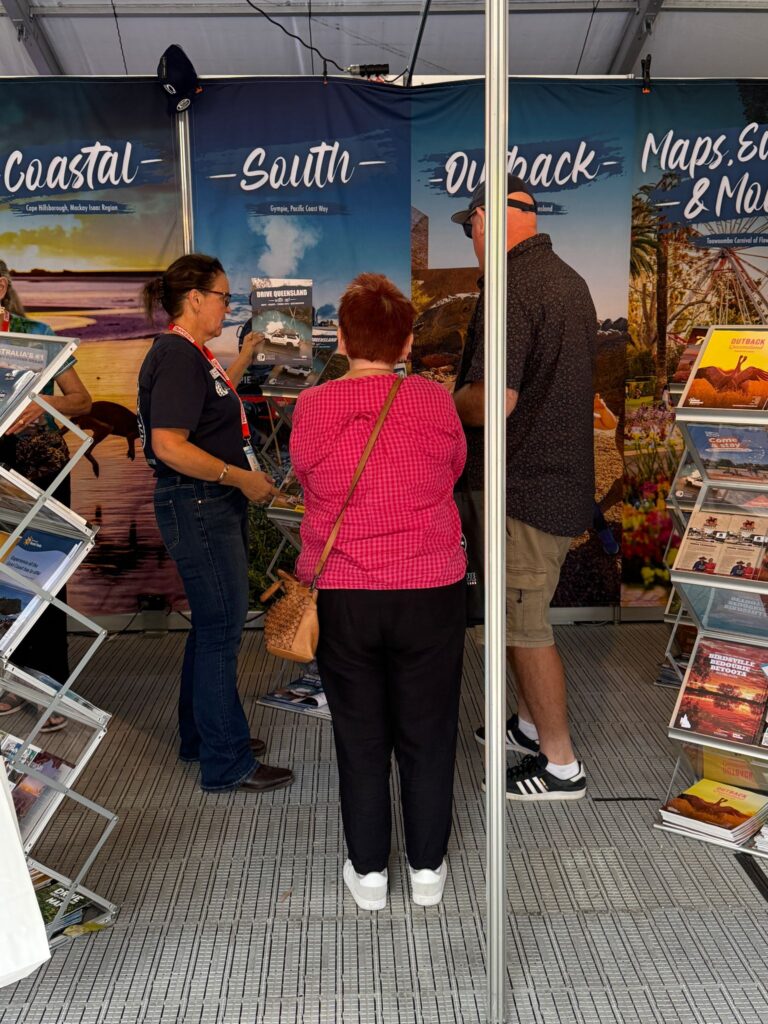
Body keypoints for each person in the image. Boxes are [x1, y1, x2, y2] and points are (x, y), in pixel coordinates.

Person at [290, 273, 467, 910]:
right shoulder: (433, 400)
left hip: (345, 590)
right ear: (408, 341)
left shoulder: (312, 405)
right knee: (429, 729)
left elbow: (308, 479)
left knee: (360, 733)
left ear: (340, 337)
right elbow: (452, 470)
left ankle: (368, 873)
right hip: (429, 585)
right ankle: (427, 870)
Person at [452, 174, 594, 802]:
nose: (471, 239)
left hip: (523, 491)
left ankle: (560, 765)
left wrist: (443, 400)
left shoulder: (510, 286)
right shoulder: (569, 281)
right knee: (515, 618)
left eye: (468, 227)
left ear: (485, 220)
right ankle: (531, 725)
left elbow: (494, 402)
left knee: (525, 621)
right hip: (556, 484)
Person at [137, 253, 292, 794]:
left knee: (210, 626)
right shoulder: (178, 357)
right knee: (222, 632)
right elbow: (169, 445)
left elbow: (209, 406)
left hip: (201, 504)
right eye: (225, 296)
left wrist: (245, 357)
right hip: (200, 504)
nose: (230, 305)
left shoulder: (191, 355)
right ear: (196, 298)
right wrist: (238, 478)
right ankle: (226, 762)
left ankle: (200, 738)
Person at [0, 259, 92, 732]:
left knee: (46, 569)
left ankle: (51, 684)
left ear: (3, 285)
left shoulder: (36, 333)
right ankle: (8, 683)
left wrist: (42, 403)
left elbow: (82, 401)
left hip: (40, 463)